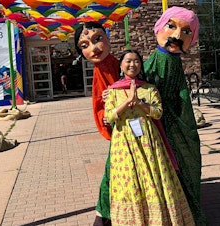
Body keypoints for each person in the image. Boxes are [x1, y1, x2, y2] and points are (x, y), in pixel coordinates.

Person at [105, 49, 194, 225]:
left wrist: (139, 103)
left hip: (148, 141)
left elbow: (158, 113)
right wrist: (127, 101)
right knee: (128, 181)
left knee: (153, 178)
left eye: (136, 61)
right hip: (123, 144)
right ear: (121, 65)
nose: (132, 65)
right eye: (128, 61)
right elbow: (108, 117)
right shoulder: (113, 91)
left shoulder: (149, 88)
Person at [144, 6, 206, 225]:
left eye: (187, 31)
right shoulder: (152, 64)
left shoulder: (174, 62)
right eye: (171, 27)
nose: (177, 36)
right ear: (159, 27)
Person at [74, 21, 120, 226]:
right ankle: (104, 214)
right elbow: (98, 102)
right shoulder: (99, 70)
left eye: (98, 39)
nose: (93, 48)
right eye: (85, 45)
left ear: (108, 38)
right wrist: (104, 113)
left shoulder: (119, 63)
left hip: (132, 124)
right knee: (113, 169)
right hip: (118, 126)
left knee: (114, 169)